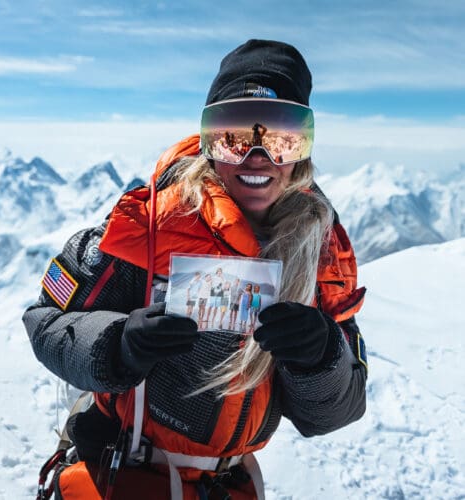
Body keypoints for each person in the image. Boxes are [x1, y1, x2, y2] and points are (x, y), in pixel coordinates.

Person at [23, 39, 367, 500]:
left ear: (304, 149)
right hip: (121, 474)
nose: (257, 155)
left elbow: (335, 412)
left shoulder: (320, 253)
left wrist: (321, 357)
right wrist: (116, 345)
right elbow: (46, 320)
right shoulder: (147, 226)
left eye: (283, 135)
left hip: (228, 485)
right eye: (234, 134)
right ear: (208, 142)